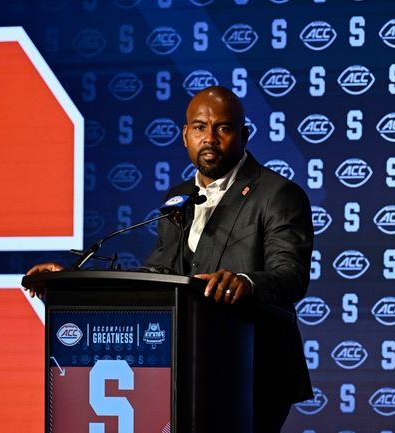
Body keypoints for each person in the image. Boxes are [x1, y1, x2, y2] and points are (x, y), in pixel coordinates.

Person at [25, 85, 314, 433]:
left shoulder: (278, 195)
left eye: (223, 128)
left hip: (252, 370)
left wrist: (246, 282)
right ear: (185, 135)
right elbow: (159, 274)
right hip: (186, 371)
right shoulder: (179, 198)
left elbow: (291, 274)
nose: (210, 137)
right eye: (199, 127)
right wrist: (69, 283)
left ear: (244, 135)